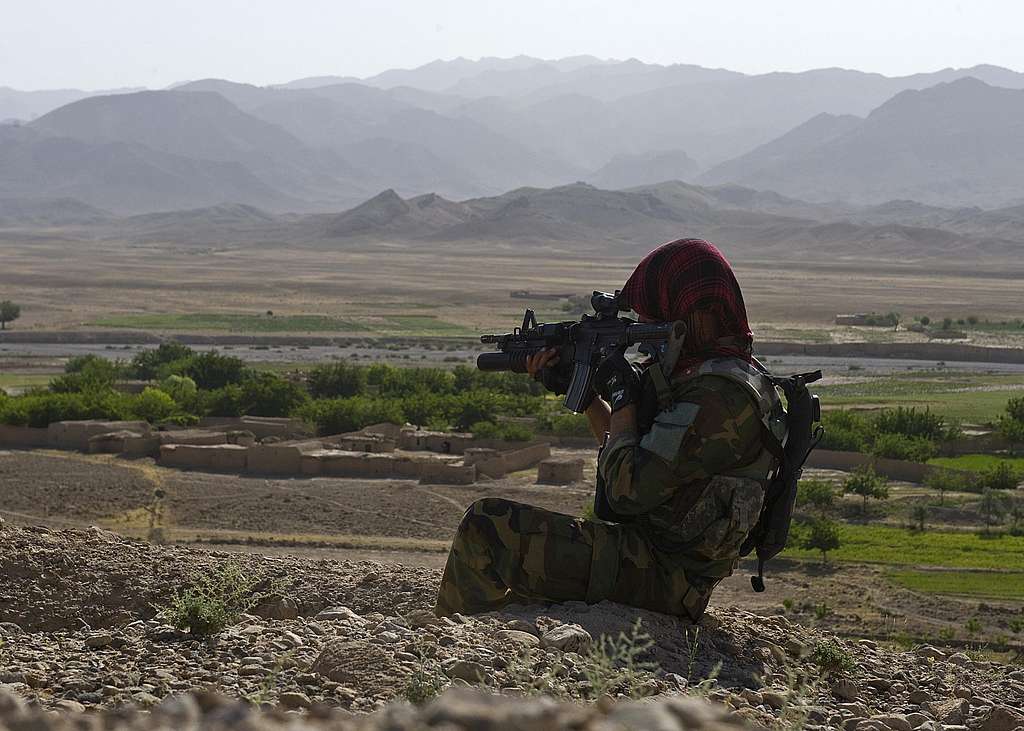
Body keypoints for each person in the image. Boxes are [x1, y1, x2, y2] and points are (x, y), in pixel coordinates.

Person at [434, 238, 786, 620]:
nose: (648, 327)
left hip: (660, 577)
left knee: (485, 526)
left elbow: (624, 491)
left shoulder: (718, 399)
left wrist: (622, 397)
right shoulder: (724, 377)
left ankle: (459, 642)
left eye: (656, 316)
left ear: (689, 312)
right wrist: (586, 397)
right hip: (660, 565)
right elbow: (628, 454)